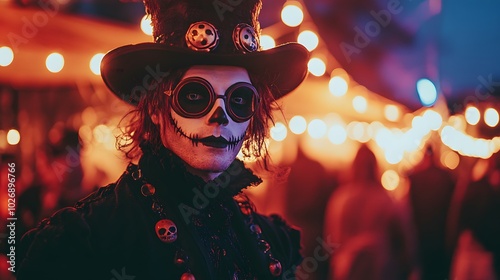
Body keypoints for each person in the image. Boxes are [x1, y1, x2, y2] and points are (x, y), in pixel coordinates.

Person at [16, 0, 309, 279]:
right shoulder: (91, 238)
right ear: (155, 108)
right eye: (195, 97)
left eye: (240, 100)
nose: (220, 117)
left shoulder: (270, 240)